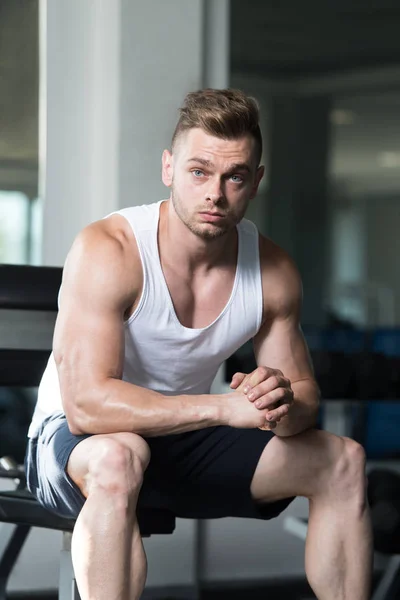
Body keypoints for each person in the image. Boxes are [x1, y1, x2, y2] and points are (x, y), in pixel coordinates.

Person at [25, 88, 372, 600]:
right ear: (169, 168)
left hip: (180, 440)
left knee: (342, 460)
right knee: (119, 458)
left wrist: (278, 399)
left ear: (255, 181)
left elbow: (304, 404)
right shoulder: (111, 249)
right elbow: (86, 409)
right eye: (198, 171)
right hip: (78, 446)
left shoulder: (273, 271)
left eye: (234, 176)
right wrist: (223, 409)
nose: (215, 193)